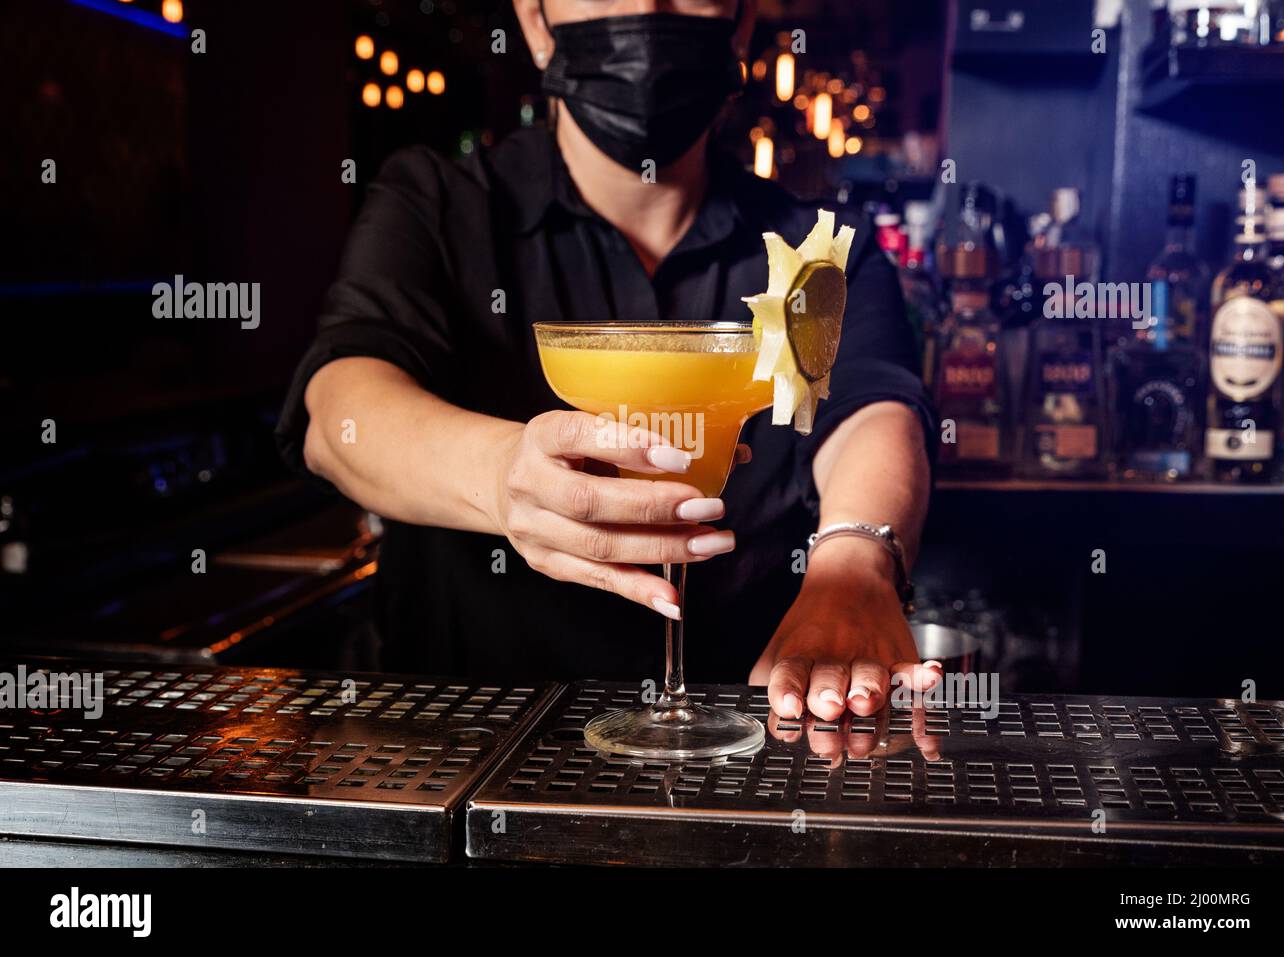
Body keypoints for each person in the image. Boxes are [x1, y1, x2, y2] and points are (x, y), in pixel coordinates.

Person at [276, 0, 939, 722]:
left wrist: (854, 559)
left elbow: (871, 411)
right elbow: (337, 410)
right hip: (473, 747)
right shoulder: (436, 205)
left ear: (740, 25)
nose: (648, 6)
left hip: (758, 751)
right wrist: (501, 476)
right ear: (534, 20)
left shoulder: (814, 250)